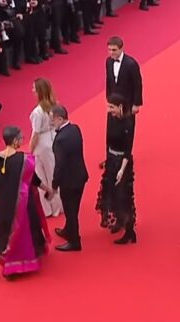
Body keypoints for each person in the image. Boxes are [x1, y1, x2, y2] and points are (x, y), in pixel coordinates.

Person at [0, 126, 54, 279]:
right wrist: (47, 188)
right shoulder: (24, 160)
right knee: (23, 232)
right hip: (21, 204)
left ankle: (8, 262)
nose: (22, 140)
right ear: (14, 141)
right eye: (21, 138)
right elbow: (33, 179)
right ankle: (24, 262)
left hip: (3, 202)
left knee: (7, 232)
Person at [96, 93, 137, 244]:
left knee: (123, 196)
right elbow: (108, 140)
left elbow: (128, 149)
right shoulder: (112, 119)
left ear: (120, 106)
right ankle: (119, 221)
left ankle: (129, 230)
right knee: (111, 192)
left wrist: (121, 169)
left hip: (123, 162)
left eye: (111, 107)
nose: (109, 110)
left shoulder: (128, 122)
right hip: (112, 159)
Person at [51, 104, 89, 252]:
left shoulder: (60, 139)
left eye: (52, 120)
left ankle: (74, 241)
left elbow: (59, 165)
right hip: (80, 176)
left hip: (69, 182)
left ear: (60, 119)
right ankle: (68, 230)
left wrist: (54, 185)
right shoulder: (75, 129)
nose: (51, 123)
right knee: (74, 208)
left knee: (70, 211)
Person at [29, 78, 62, 217]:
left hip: (42, 143)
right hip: (53, 139)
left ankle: (47, 209)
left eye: (34, 89)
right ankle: (57, 207)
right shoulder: (55, 106)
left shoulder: (37, 112)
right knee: (53, 174)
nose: (32, 91)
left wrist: (30, 150)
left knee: (41, 175)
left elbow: (35, 134)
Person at [105, 36, 142, 118]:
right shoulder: (108, 61)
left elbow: (137, 84)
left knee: (127, 127)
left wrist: (136, 104)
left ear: (121, 49)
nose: (111, 53)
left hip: (127, 102)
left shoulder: (131, 64)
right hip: (113, 102)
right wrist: (108, 97)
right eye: (109, 50)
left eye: (114, 50)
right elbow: (108, 80)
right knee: (112, 129)